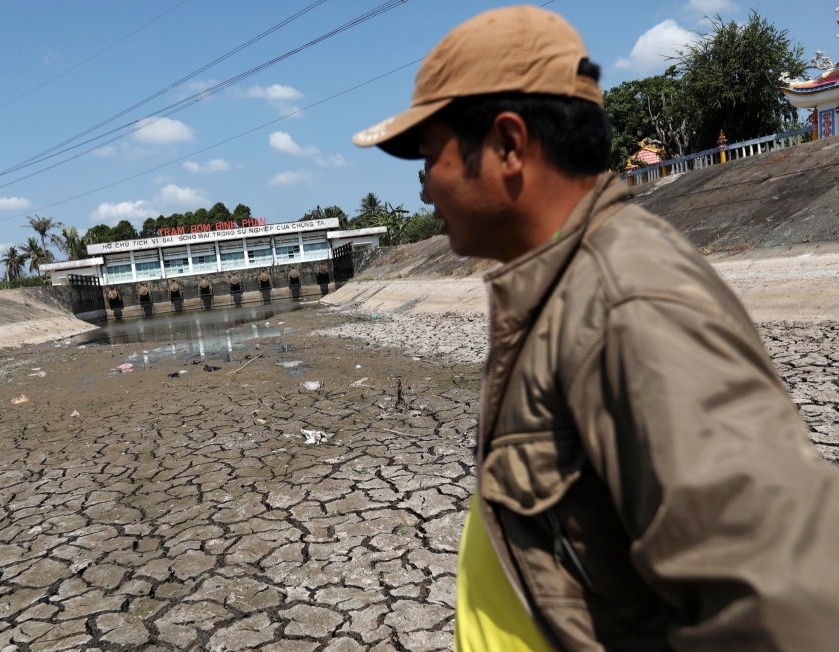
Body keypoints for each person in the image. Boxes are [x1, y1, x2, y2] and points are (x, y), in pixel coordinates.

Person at [353, 6, 839, 651]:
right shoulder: (561, 287)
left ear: (507, 144)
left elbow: (787, 608)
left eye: (427, 159)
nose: (423, 193)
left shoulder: (626, 304)